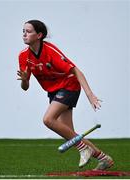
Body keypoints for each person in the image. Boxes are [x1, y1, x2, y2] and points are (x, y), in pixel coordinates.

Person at [17, 20, 114, 170]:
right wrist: (24, 80)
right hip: (54, 91)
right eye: (23, 31)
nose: (24, 34)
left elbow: (76, 71)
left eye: (28, 31)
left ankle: (84, 148)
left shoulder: (51, 51)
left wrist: (90, 95)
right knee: (69, 133)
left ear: (39, 35)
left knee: (48, 119)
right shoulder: (24, 56)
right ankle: (104, 158)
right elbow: (25, 87)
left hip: (69, 85)